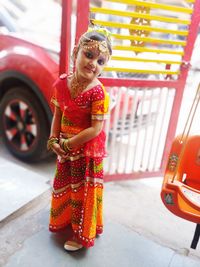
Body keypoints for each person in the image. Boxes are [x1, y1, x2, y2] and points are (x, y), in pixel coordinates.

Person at [47, 27, 112, 251]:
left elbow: (95, 129)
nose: (94, 63)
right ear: (76, 53)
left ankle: (81, 234)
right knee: (65, 187)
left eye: (101, 60)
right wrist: (53, 140)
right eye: (89, 54)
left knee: (83, 194)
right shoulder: (61, 84)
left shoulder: (98, 93)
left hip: (86, 154)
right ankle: (65, 221)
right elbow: (58, 114)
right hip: (66, 152)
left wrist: (67, 144)